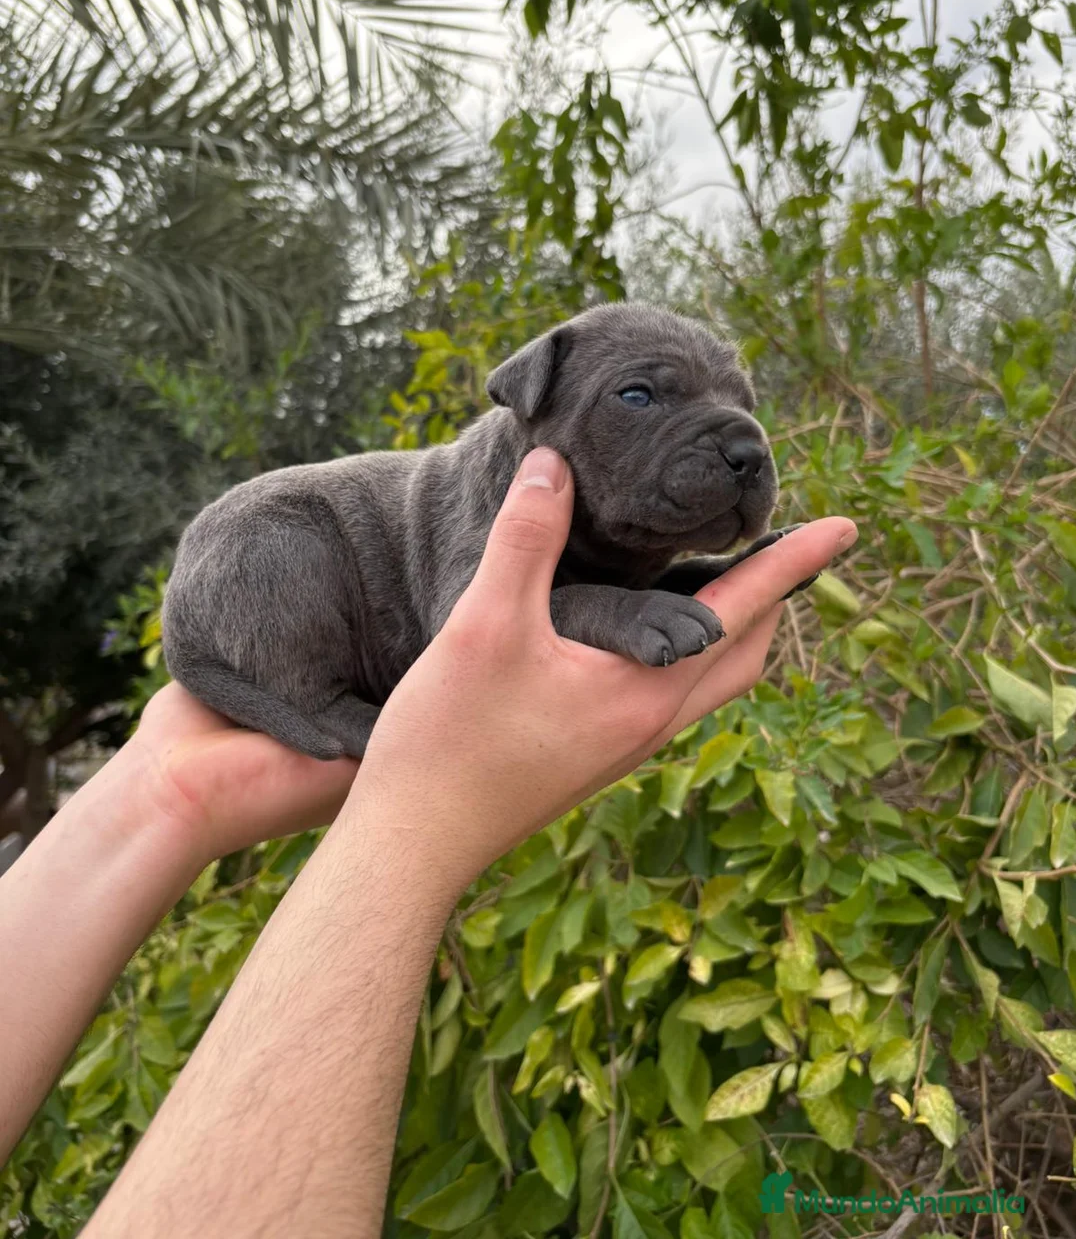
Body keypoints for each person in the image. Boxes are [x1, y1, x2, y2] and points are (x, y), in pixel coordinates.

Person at [1, 447, 857, 1237]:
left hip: (253, 697)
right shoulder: (472, 496)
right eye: (637, 395)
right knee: (286, 549)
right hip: (256, 588)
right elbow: (475, 616)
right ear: (535, 403)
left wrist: (165, 793)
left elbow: (550, 619)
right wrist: (417, 813)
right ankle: (319, 698)